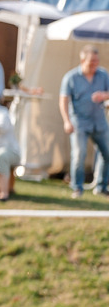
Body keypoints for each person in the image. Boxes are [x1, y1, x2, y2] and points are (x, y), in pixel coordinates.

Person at [59, 44, 109, 199]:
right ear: (82, 60)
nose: (94, 64)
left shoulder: (103, 75)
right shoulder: (71, 77)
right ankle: (77, 187)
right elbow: (63, 100)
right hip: (79, 122)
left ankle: (101, 186)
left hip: (99, 121)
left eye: (96, 61)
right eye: (91, 61)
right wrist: (67, 121)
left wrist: (104, 95)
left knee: (107, 153)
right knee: (79, 154)